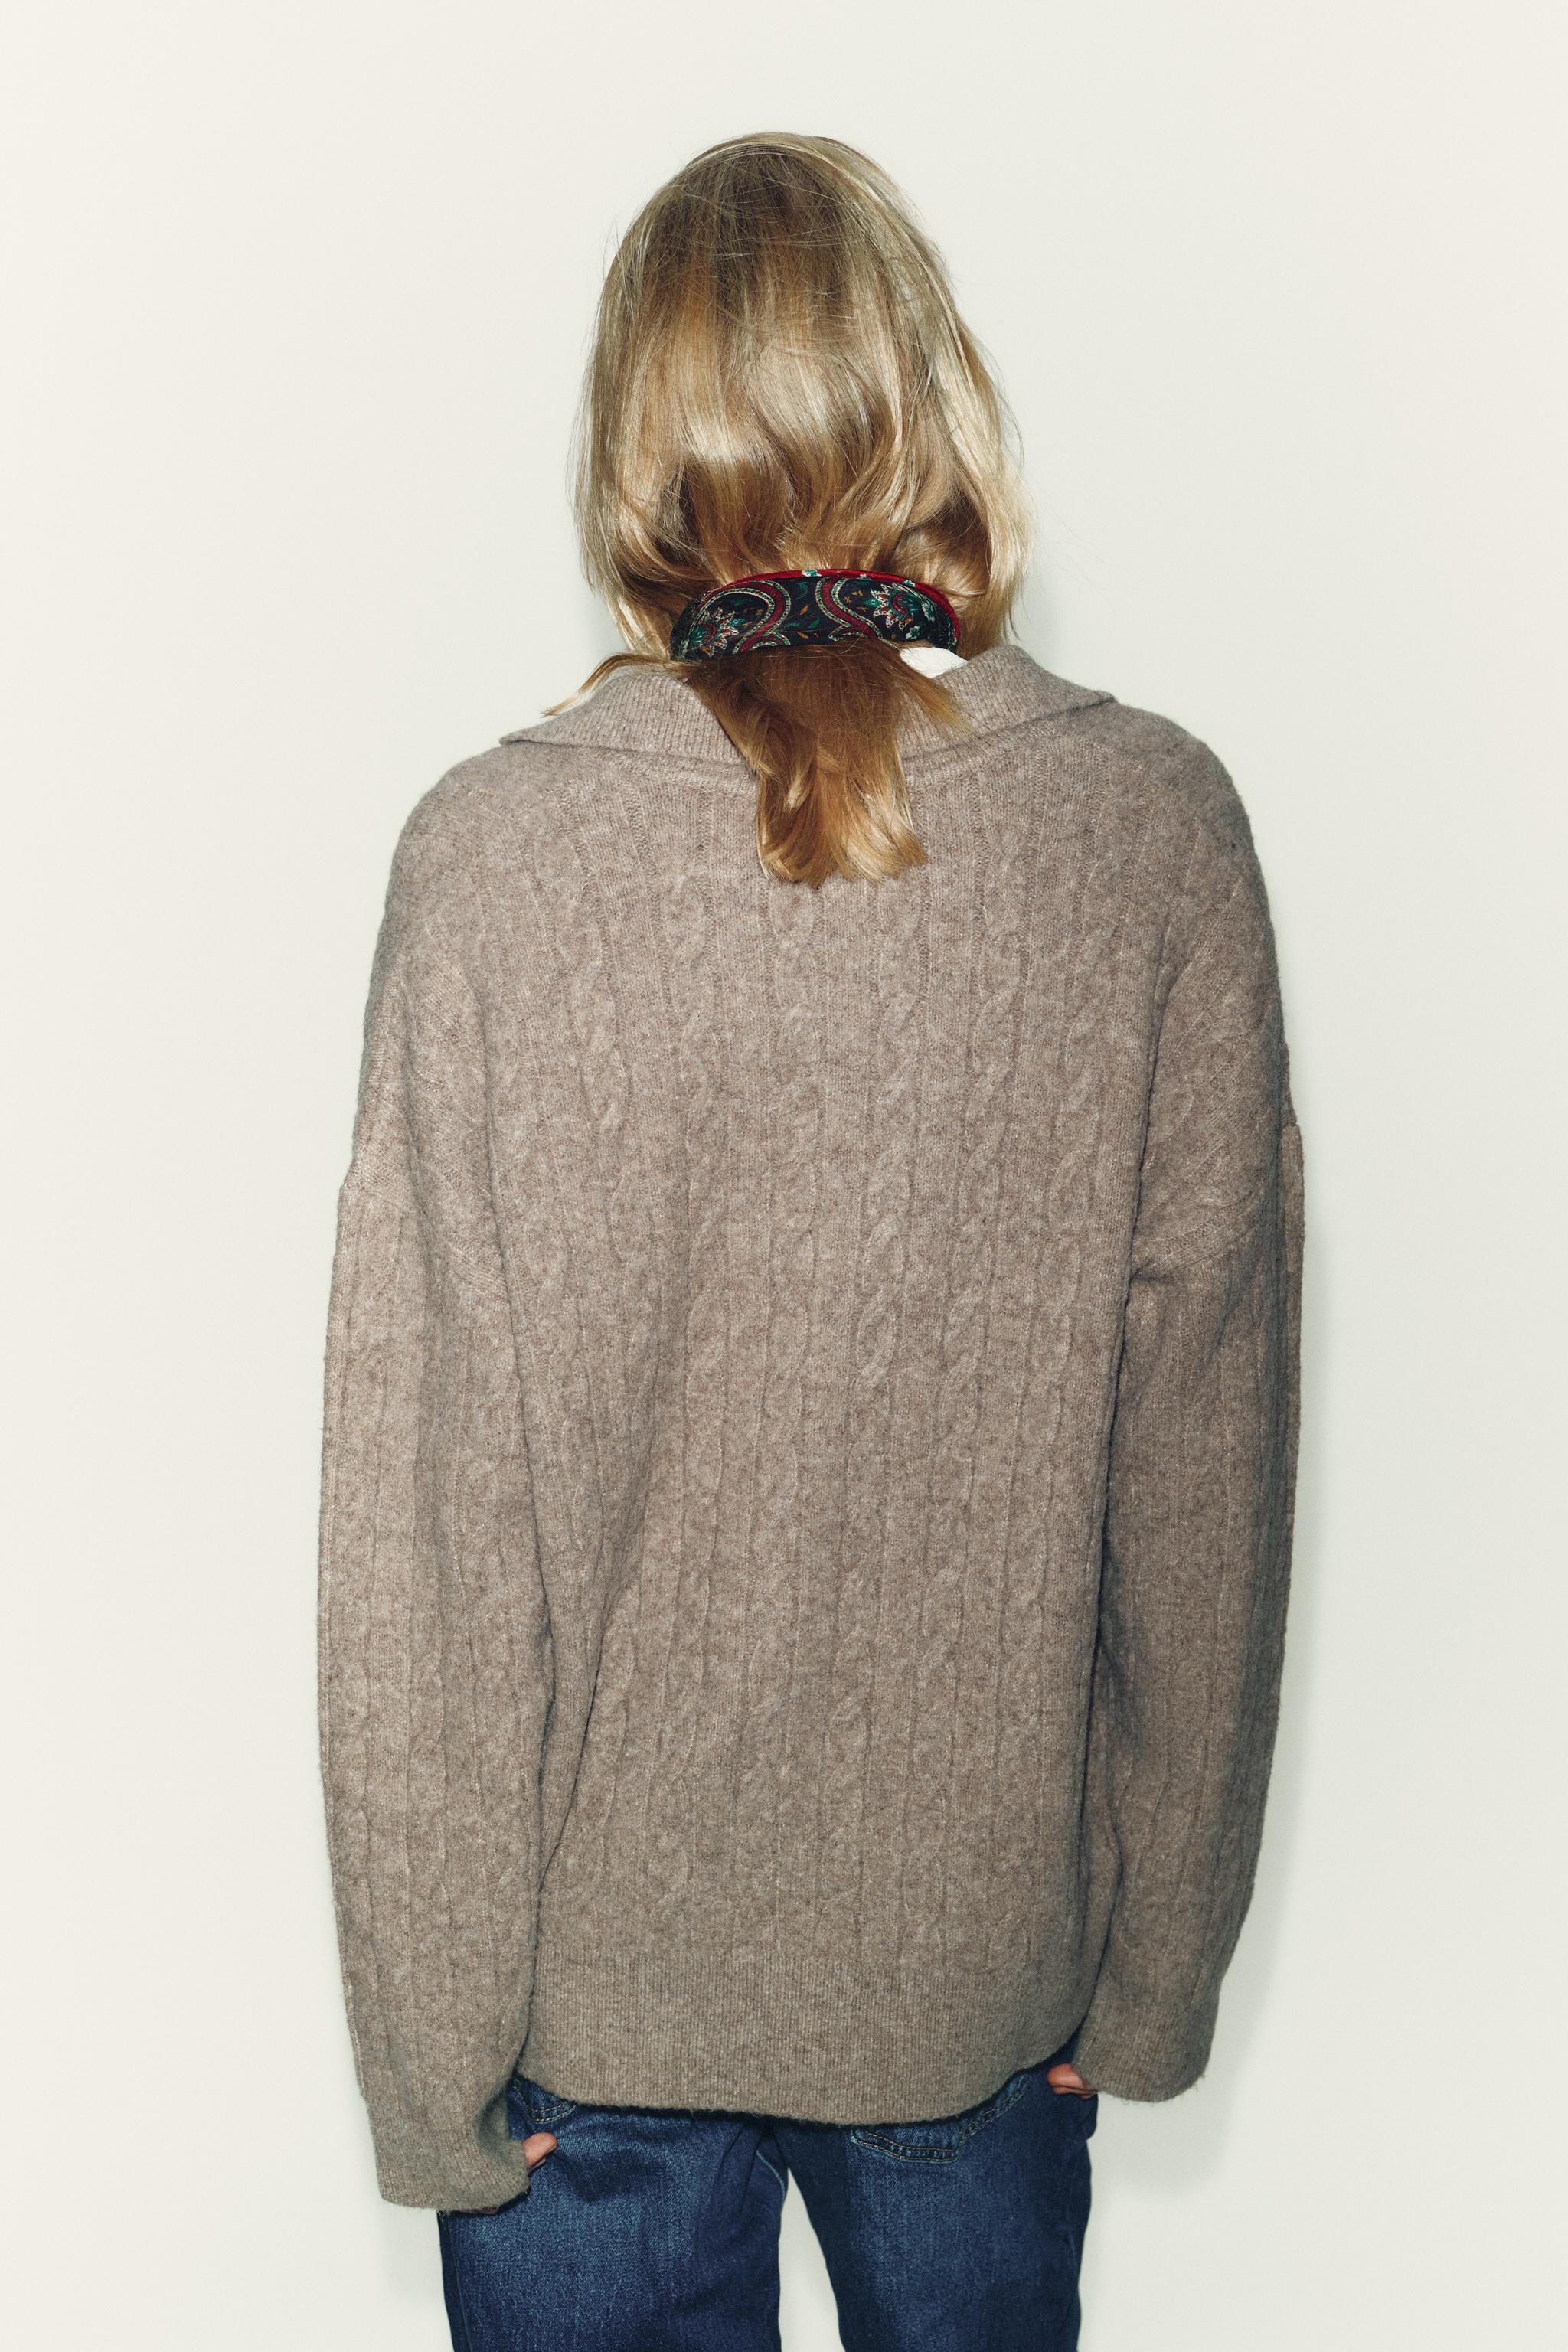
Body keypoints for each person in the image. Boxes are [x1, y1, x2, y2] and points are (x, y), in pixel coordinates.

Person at [316, 131, 1305, 2352]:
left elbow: (429, 1538)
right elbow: (1209, 1472)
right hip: (980, 1979)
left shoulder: (492, 861)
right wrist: (1156, 1963)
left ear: (631, 450)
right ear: (931, 403)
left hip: (585, 2020)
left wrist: (425, 2054)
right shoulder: (1151, 832)